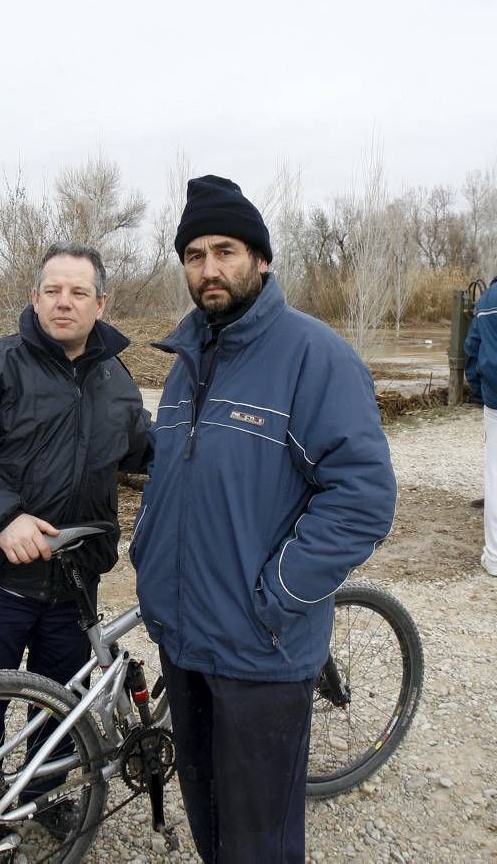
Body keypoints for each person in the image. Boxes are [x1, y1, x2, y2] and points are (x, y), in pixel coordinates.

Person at [130, 175, 397, 863]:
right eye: (194, 254)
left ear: (262, 258)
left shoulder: (315, 357)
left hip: (260, 651)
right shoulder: (190, 358)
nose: (209, 268)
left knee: (261, 843)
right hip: (184, 638)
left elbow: (362, 496)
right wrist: (147, 555)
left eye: (225, 250)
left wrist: (277, 595)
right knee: (212, 828)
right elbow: (178, 476)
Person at [0, 241, 148, 853]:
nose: (63, 302)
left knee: (61, 699)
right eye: (52, 290)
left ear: (101, 303)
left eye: (77, 292)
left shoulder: (116, 380)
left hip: (76, 575)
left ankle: (46, 795)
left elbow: (143, 451)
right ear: (34, 297)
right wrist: (3, 518)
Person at [465, 276, 497, 575]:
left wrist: (478, 387)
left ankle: (495, 556)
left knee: (495, 475)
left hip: (495, 399)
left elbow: (472, 348)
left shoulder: (487, 300)